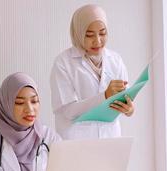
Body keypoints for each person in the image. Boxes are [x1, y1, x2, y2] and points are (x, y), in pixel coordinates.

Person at [50, 4, 134, 140]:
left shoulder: (115, 60)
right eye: (89, 35)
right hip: (77, 141)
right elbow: (68, 111)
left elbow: (126, 95)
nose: (97, 41)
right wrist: (105, 96)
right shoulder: (63, 63)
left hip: (110, 138)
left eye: (102, 33)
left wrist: (129, 109)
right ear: (78, 33)